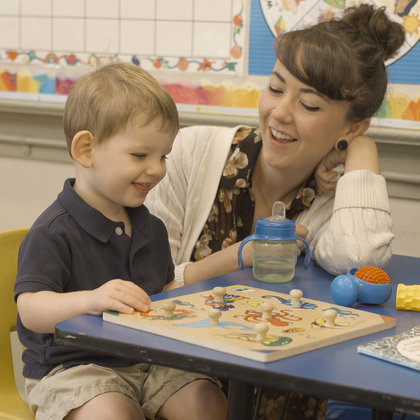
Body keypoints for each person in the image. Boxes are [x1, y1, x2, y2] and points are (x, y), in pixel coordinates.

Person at [145, 4, 405, 420]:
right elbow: (148, 287)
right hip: (174, 388)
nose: (280, 113)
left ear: (353, 125)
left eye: (310, 105)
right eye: (275, 87)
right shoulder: (190, 155)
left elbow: (359, 258)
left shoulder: (331, 197)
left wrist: (362, 150)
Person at [14, 62, 227, 420]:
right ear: (86, 151)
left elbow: (160, 290)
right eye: (140, 156)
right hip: (73, 369)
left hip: (148, 359)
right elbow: (32, 311)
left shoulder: (151, 228)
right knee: (114, 412)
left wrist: (195, 303)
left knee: (206, 401)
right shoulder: (52, 231)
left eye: (163, 156)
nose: (157, 169)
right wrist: (91, 300)